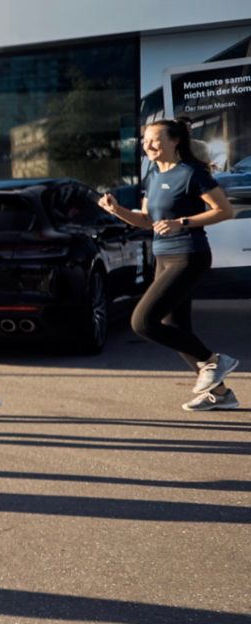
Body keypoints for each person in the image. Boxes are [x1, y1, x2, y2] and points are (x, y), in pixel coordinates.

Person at [100, 119, 239, 411]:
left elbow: (223, 210)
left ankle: (215, 361)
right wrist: (118, 211)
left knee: (143, 321)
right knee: (175, 326)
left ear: (174, 141)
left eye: (154, 139)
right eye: (145, 141)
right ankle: (221, 394)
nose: (147, 145)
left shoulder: (192, 173)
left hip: (189, 254)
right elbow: (148, 221)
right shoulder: (153, 173)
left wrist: (182, 222)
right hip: (163, 257)